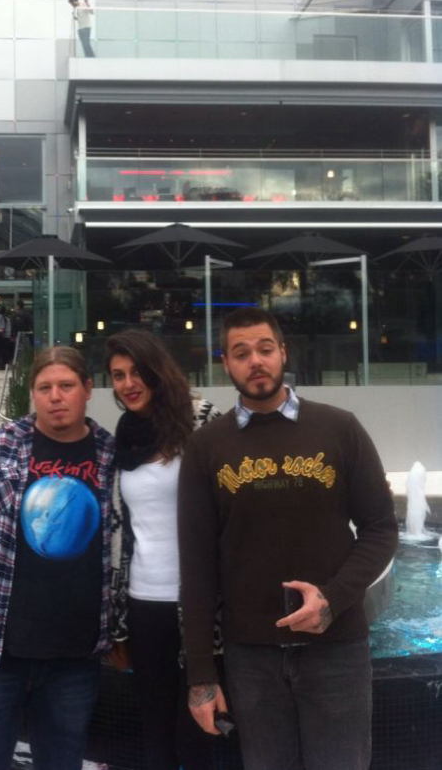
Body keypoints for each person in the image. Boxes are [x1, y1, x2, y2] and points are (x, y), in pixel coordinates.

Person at [178, 307, 398, 770]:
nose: (255, 361)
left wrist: (332, 598)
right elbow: (197, 567)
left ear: (283, 353)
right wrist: (201, 675)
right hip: (251, 656)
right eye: (241, 353)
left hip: (337, 650)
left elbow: (381, 528)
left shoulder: (340, 429)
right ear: (225, 363)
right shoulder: (206, 446)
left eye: (265, 349)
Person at [0, 346, 116, 770]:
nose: (55, 397)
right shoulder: (0, 449)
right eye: (44, 387)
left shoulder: (110, 455)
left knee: (62, 762)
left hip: (75, 656)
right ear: (32, 394)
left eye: (66, 386)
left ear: (87, 389)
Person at [104, 329, 221, 770]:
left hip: (201, 605)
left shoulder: (203, 421)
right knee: (154, 732)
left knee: (199, 732)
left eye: (136, 372)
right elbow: (123, 533)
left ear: (157, 370)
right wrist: (117, 623)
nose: (128, 384)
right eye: (118, 375)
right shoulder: (123, 437)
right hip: (143, 603)